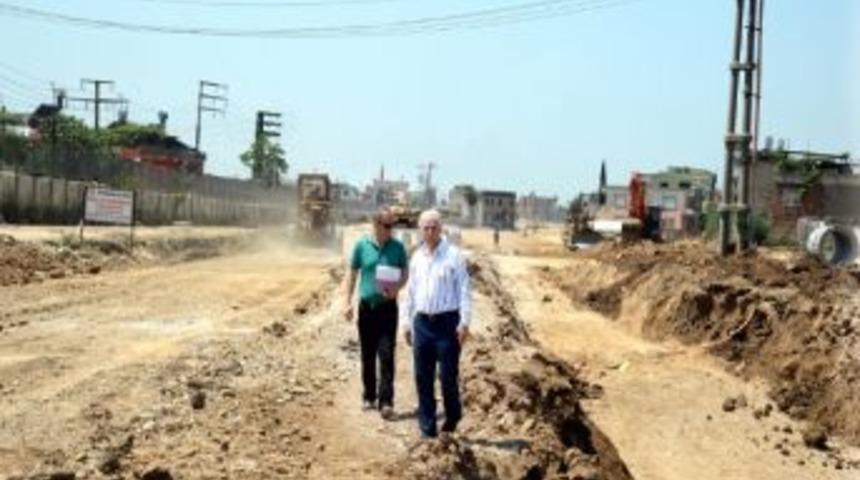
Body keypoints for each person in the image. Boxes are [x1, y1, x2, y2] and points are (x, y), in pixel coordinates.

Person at [402, 209, 472, 439]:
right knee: (423, 377)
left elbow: (464, 291)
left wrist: (464, 323)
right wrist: (406, 322)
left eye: (434, 227)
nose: (430, 231)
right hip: (422, 323)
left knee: (448, 376)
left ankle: (453, 414)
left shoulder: (454, 256)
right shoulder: (416, 257)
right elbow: (410, 293)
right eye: (426, 228)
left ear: (441, 229)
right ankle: (427, 428)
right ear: (420, 230)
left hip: (447, 325)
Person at [344, 207, 409, 420]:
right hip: (366, 309)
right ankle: (369, 395)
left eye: (393, 225)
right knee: (367, 354)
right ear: (376, 225)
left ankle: (387, 401)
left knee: (387, 354)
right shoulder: (362, 246)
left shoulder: (398, 248)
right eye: (388, 226)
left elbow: (405, 272)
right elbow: (353, 274)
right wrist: (347, 302)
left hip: (388, 309)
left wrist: (397, 287)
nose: (391, 230)